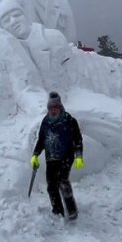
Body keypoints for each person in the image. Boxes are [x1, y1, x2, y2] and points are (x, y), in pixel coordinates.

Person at [30, 91, 84, 220]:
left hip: (66, 156)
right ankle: (58, 211)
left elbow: (78, 140)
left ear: (60, 107)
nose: (53, 110)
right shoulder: (46, 122)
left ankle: (72, 210)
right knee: (51, 186)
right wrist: (35, 154)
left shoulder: (69, 120)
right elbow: (41, 140)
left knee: (62, 181)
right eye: (50, 108)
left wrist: (78, 156)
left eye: (55, 107)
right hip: (51, 158)